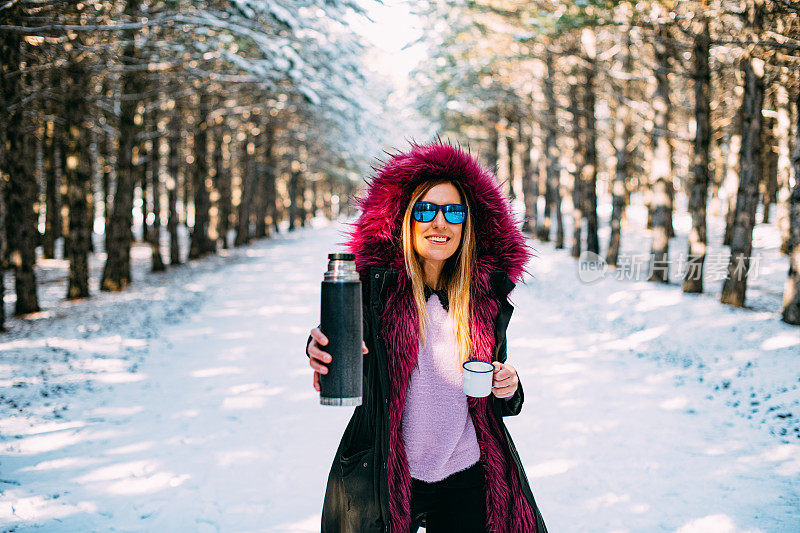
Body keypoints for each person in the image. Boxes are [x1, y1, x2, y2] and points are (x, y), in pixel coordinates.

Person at [306, 139, 548, 533]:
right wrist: (318, 349)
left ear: (467, 223)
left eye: (453, 211)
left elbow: (489, 391)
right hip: (386, 475)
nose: (440, 223)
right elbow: (338, 342)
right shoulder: (373, 292)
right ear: (406, 220)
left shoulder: (483, 298)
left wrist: (510, 386)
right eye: (425, 210)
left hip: (469, 474)